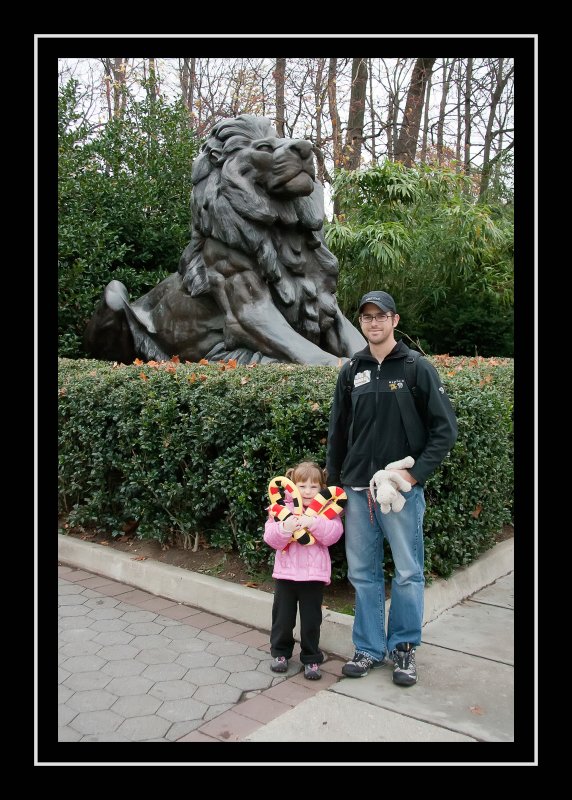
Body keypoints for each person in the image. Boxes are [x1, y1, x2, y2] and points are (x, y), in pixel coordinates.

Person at [326, 291, 457, 686]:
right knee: (364, 574)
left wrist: (412, 477)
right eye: (366, 317)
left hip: (399, 491)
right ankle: (367, 648)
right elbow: (338, 434)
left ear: (395, 320)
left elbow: (444, 430)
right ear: (361, 323)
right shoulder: (352, 370)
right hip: (356, 490)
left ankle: (403, 649)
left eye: (381, 316)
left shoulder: (416, 367)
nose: (374, 323)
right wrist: (334, 489)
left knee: (407, 572)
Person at [264, 461, 344, 680]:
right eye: (302, 486)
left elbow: (332, 535)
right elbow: (271, 538)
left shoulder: (327, 512)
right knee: (282, 618)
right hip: (286, 575)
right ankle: (280, 653)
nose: (307, 492)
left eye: (313, 486)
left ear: (321, 488)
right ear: (292, 487)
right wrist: (285, 527)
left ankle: (311, 657)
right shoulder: (281, 510)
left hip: (313, 577)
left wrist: (313, 522)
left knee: (311, 621)